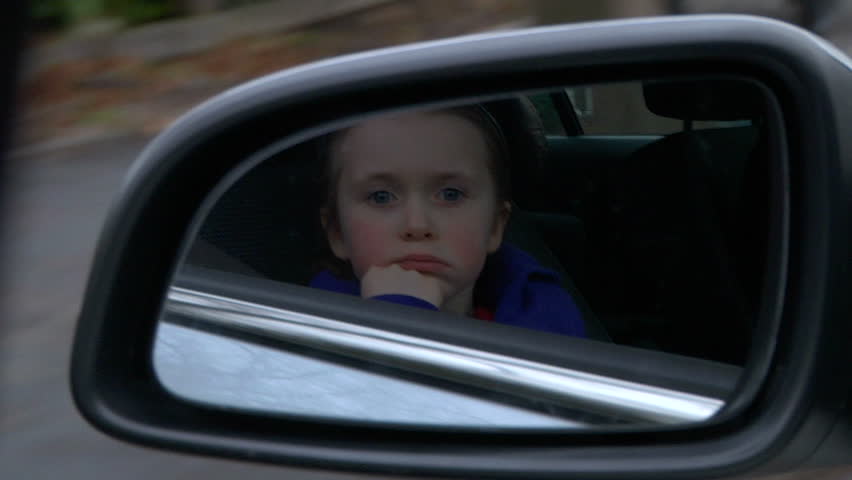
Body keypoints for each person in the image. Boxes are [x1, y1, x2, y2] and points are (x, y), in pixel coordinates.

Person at [309, 105, 585, 337]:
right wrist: (401, 313)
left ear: (495, 227)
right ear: (337, 233)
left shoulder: (544, 322)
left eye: (450, 194)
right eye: (381, 197)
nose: (417, 225)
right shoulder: (311, 338)